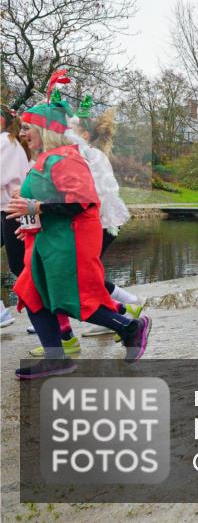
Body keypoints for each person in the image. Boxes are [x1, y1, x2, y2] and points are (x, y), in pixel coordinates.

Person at [8, 90, 151, 379]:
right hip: (47, 239)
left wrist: (35, 207)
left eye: (26, 127)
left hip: (69, 242)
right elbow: (49, 200)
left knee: (71, 298)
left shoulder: (65, 158)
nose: (22, 134)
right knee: (32, 293)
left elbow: (81, 201)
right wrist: (31, 222)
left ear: (44, 129)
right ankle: (56, 358)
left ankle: (129, 326)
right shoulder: (46, 158)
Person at [48, 99, 144, 347]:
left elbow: (93, 195)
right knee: (86, 277)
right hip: (100, 223)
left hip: (100, 224)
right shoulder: (85, 153)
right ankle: (121, 310)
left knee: (81, 277)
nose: (65, 133)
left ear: (84, 134)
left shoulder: (88, 155)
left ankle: (124, 310)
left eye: (72, 129)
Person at [1, 105, 31, 329]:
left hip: (15, 210)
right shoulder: (9, 141)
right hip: (10, 209)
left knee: (20, 266)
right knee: (20, 265)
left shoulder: (6, 142)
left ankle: (48, 316)